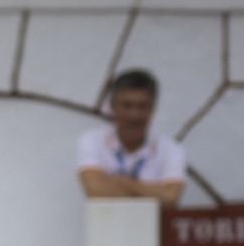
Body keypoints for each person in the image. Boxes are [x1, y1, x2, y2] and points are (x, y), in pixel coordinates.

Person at [76, 68, 186, 207]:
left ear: (152, 109)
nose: (134, 115)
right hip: (107, 221)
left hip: (153, 222)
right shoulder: (92, 140)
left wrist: (120, 182)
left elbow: (171, 198)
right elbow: (94, 191)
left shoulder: (171, 148)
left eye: (142, 106)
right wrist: (154, 192)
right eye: (127, 106)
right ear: (112, 107)